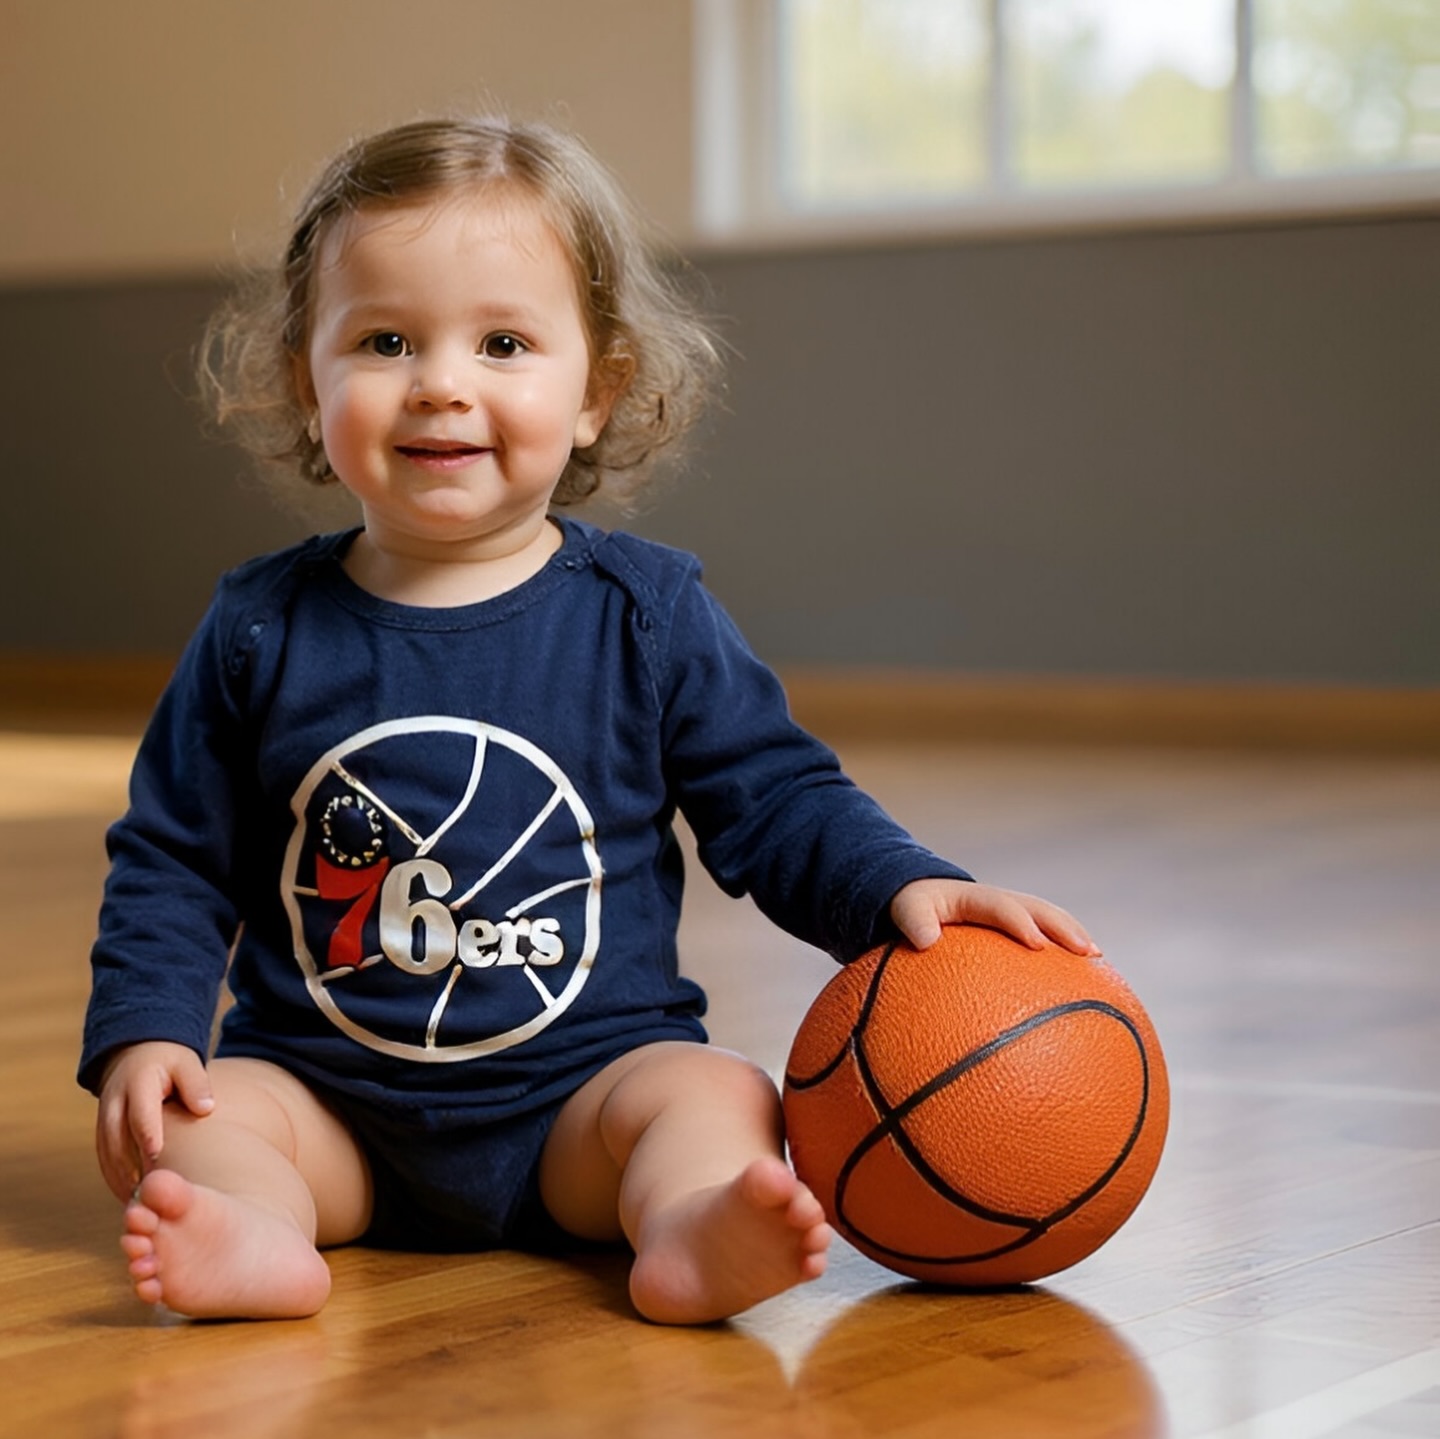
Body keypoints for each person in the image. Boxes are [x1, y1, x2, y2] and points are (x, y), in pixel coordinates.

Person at [80, 116, 1099, 1327]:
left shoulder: (645, 614)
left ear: (595, 392)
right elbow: (174, 856)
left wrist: (896, 885)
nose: (442, 381)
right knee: (209, 1119)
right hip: (329, 1106)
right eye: (385, 341)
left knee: (718, 1094)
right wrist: (145, 1032)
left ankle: (688, 1221)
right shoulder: (261, 626)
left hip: (583, 1105)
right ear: (310, 378)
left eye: (504, 343)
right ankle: (257, 1225)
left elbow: (776, 800)